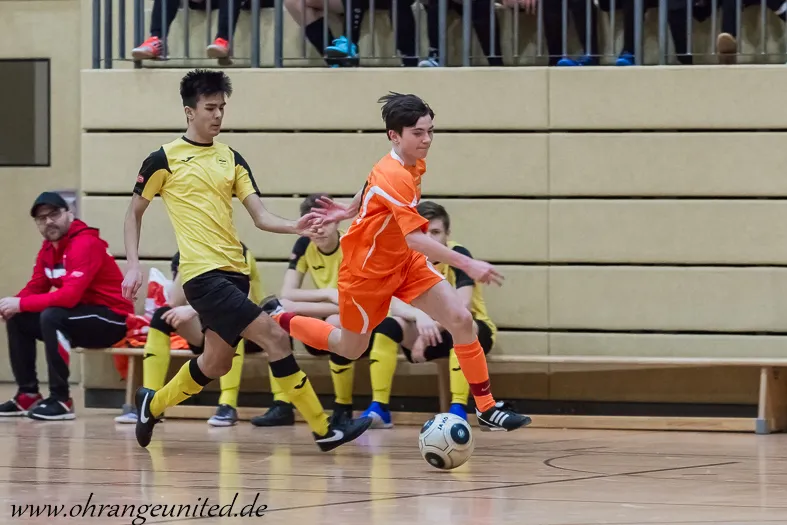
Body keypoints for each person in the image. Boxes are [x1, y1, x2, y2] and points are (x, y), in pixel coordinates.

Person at [122, 69, 372, 451]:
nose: (218, 115)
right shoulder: (162, 159)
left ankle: (151, 405)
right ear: (190, 111)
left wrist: (294, 226)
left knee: (216, 363)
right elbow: (133, 213)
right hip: (203, 276)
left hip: (236, 275)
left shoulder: (231, 158)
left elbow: (260, 216)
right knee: (275, 336)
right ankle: (325, 429)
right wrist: (132, 265)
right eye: (210, 108)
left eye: (222, 107)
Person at [263, 92, 531, 432]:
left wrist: (350, 208)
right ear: (394, 135)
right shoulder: (395, 175)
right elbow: (416, 238)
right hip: (367, 275)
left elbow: (370, 184)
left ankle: (486, 407)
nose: (427, 139)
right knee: (349, 347)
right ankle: (279, 315)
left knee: (462, 320)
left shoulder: (408, 162)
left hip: (405, 264)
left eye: (430, 131)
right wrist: (468, 264)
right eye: (418, 133)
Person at [251, 193, 400, 429]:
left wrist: (326, 304)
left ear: (336, 221)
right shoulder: (304, 245)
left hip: (366, 326)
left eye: (325, 223)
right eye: (312, 224)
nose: (318, 230)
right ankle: (282, 404)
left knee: (334, 319)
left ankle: (343, 407)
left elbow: (360, 302)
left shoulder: (352, 243)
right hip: (331, 319)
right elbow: (288, 293)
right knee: (280, 316)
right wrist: (329, 294)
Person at [0, 192, 134, 420]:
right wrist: (9, 306)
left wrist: (20, 303)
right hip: (79, 317)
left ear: (69, 214)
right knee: (18, 318)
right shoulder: (48, 249)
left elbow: (69, 297)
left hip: (113, 320)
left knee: (52, 316)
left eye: (54, 214)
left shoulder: (85, 243)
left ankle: (61, 399)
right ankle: (28, 395)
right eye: (41, 218)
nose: (48, 221)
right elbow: (36, 286)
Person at [115, 246, 263, 426]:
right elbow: (174, 302)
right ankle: (150, 402)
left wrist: (193, 309)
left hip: (252, 328)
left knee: (231, 321)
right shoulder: (190, 249)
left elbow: (243, 302)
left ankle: (227, 405)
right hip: (209, 326)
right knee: (162, 316)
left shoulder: (237, 251)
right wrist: (186, 261)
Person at [387, 201, 497, 421]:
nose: (428, 239)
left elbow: (463, 307)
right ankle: (379, 408)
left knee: (463, 329)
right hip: (427, 332)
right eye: (423, 232)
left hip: (473, 330)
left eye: (435, 232)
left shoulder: (457, 255)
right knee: (387, 326)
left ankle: (458, 409)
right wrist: (419, 315)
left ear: (447, 234)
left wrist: (426, 333)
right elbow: (393, 304)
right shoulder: (405, 258)